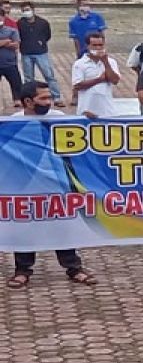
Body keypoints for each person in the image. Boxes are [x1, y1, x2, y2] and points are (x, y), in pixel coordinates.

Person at [6, 81, 96, 289]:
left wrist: (90, 122)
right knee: (25, 227)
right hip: (26, 186)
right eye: (44, 98)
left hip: (57, 183)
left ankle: (73, 267)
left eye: (50, 97)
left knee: (63, 226)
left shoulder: (59, 119)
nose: (50, 102)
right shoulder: (13, 122)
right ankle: (22, 270)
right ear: (28, 101)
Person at [16, 4, 63, 106]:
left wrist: (40, 42)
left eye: (28, 9)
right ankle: (31, 98)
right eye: (24, 10)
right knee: (28, 78)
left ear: (33, 10)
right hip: (26, 53)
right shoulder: (20, 23)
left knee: (49, 75)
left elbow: (47, 35)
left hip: (41, 53)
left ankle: (56, 97)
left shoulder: (43, 22)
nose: (26, 12)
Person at [71, 32, 121, 119]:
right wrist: (99, 79)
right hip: (86, 110)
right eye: (94, 45)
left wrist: (105, 62)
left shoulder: (111, 62)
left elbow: (115, 80)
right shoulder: (79, 64)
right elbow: (77, 85)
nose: (98, 48)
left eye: (100, 45)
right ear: (87, 46)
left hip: (107, 111)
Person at [0, 15, 20, 107]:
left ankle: (17, 100)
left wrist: (2, 43)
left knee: (16, 83)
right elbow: (10, 43)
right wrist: (6, 41)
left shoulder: (12, 30)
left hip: (10, 62)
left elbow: (16, 45)